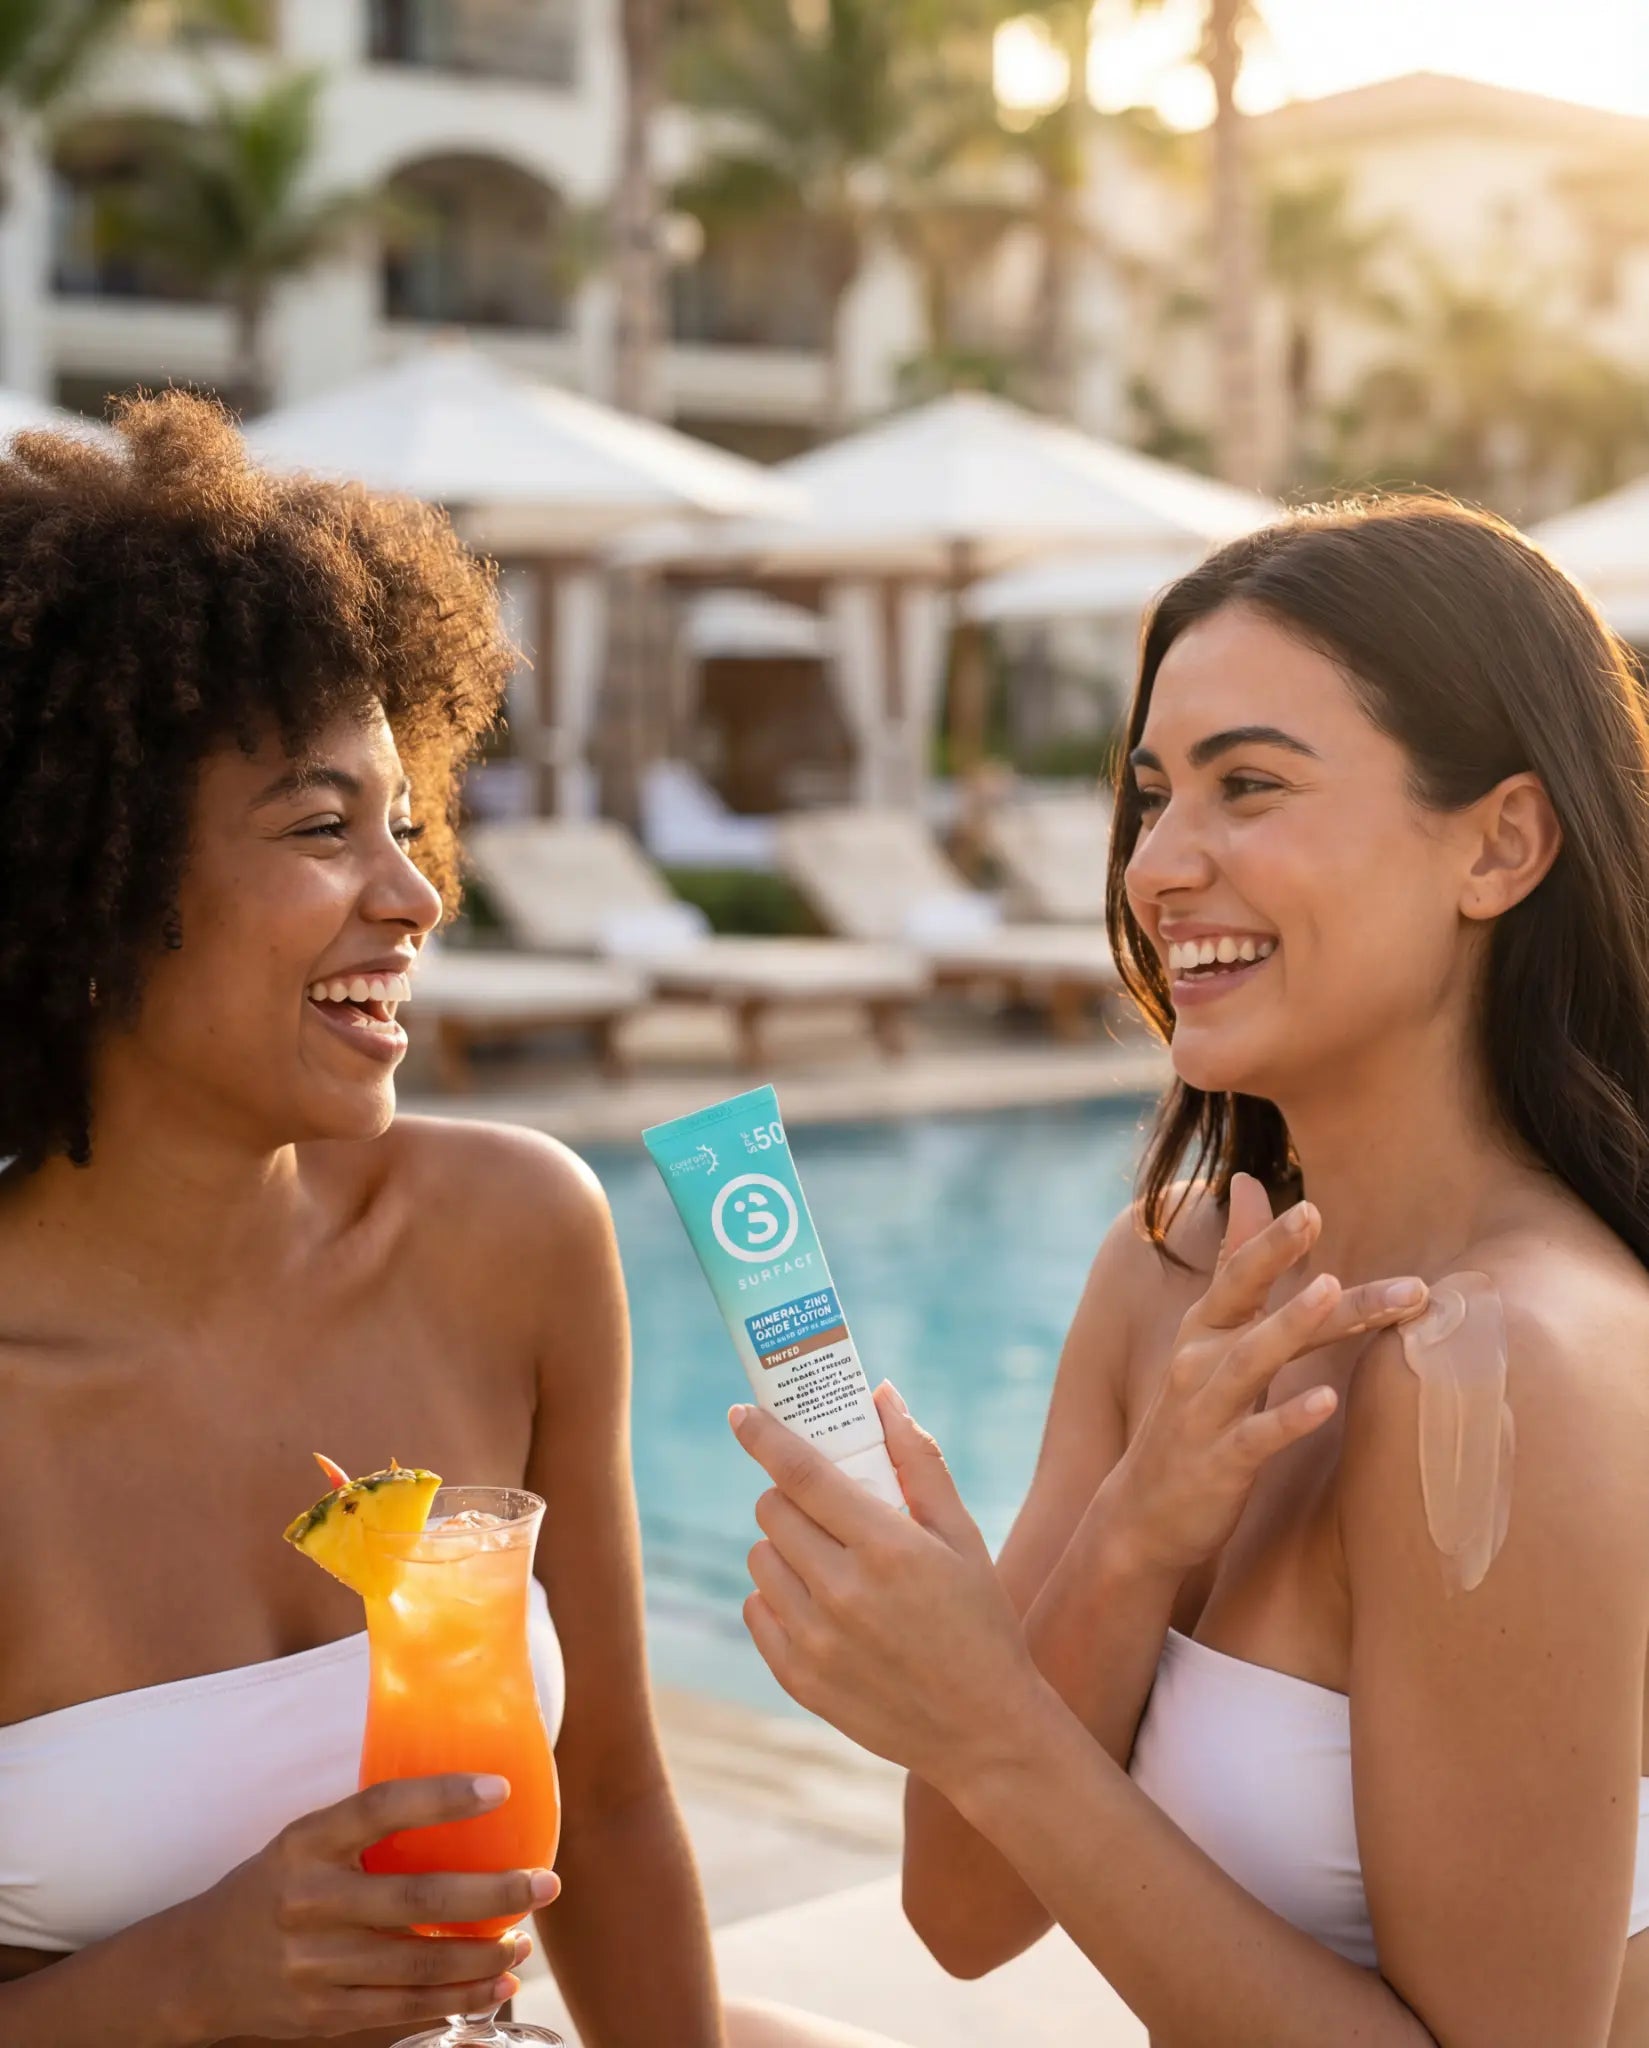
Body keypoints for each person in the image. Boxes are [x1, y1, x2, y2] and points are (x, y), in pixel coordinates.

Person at [731, 498, 1649, 2047]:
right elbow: (959, 1914)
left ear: (1497, 844)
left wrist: (990, 1717)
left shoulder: (1511, 1362)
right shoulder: (1162, 1278)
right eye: (1152, 796)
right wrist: (1131, 1534)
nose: (1159, 865)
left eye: (1249, 787)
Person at [0, 392, 849, 2048]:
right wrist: (179, 1988)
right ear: (80, 877)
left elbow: (601, 1812)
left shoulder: (506, 1233)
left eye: (404, 818)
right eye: (323, 828)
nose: (416, 894)